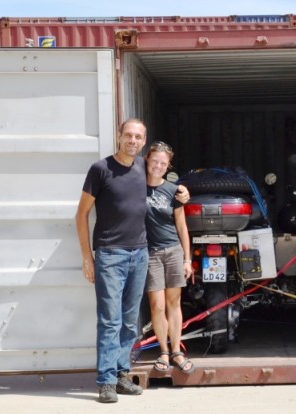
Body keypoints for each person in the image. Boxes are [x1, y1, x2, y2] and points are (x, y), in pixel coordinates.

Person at [75, 119, 188, 404]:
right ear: (119, 136)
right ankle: (105, 381)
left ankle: (122, 374)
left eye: (138, 137)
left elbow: (166, 184)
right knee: (110, 321)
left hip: (140, 254)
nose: (132, 141)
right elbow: (81, 215)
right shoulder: (100, 170)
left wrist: (184, 192)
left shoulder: (142, 167)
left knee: (129, 322)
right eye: (128, 135)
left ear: (143, 142)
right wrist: (87, 256)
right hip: (110, 255)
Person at [142, 142, 196, 374]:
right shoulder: (135, 187)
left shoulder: (174, 191)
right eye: (155, 161)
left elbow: (182, 228)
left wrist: (187, 259)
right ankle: (163, 351)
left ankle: (177, 351)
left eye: (163, 163)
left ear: (168, 166)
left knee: (174, 303)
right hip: (149, 253)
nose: (158, 166)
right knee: (157, 304)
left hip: (173, 250)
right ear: (147, 160)